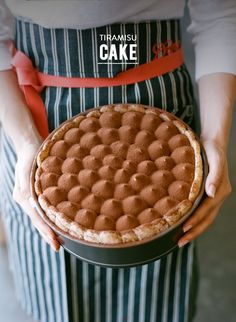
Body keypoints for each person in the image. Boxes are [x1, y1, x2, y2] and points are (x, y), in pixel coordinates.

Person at [0, 1, 235, 321]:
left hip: (162, 130)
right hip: (38, 127)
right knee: (55, 297)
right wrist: (26, 143)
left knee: (156, 300)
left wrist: (215, 139)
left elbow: (218, 15)